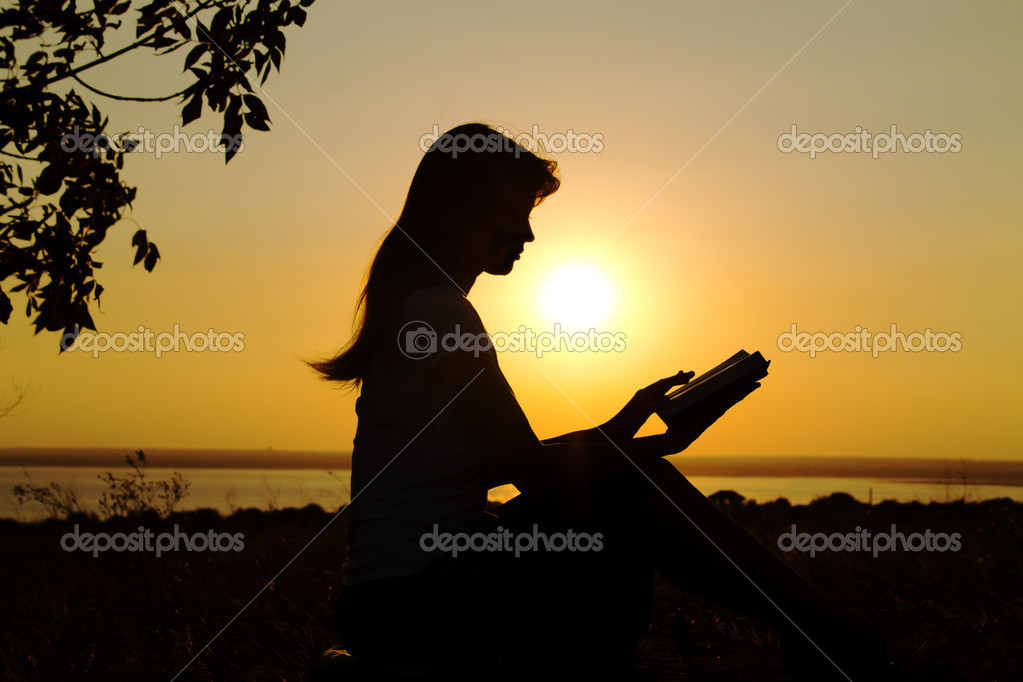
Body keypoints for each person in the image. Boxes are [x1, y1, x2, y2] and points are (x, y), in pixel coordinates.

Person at [310, 123, 936, 681]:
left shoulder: (421, 307)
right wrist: (640, 449)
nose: (528, 233)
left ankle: (817, 630)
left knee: (628, 490)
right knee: (629, 499)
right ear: (467, 211)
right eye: (515, 213)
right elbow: (525, 468)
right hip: (416, 599)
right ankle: (827, 632)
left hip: (394, 598)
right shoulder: (441, 313)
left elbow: (504, 459)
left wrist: (627, 429)